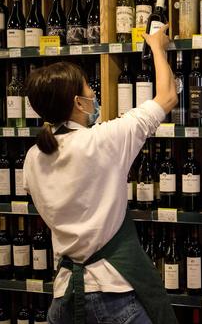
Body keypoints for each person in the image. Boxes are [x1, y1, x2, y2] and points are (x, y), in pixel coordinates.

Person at [23, 25, 178, 324]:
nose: (94, 94)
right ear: (77, 103)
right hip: (113, 297)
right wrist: (158, 46)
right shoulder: (103, 140)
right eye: (89, 89)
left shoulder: (32, 157)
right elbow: (168, 96)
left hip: (64, 297)